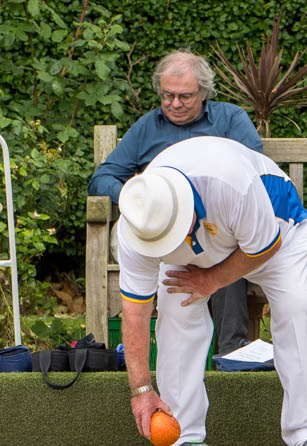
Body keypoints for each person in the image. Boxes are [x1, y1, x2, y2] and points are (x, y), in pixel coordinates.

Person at [117, 135, 307, 446]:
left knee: (294, 309)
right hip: (207, 240)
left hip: (276, 231)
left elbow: (264, 248)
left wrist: (211, 279)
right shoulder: (139, 224)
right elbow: (134, 314)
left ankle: (305, 433)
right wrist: (141, 391)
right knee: (175, 312)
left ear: (185, 211)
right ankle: (182, 436)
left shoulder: (231, 184)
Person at [89, 50, 262, 357]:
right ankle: (173, 359)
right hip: (160, 231)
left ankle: (232, 353)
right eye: (167, 95)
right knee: (162, 254)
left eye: (185, 96)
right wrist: (139, 196)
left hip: (215, 226)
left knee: (226, 250)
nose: (174, 104)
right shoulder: (148, 126)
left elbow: (255, 173)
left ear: (205, 93)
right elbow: (102, 178)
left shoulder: (230, 120)